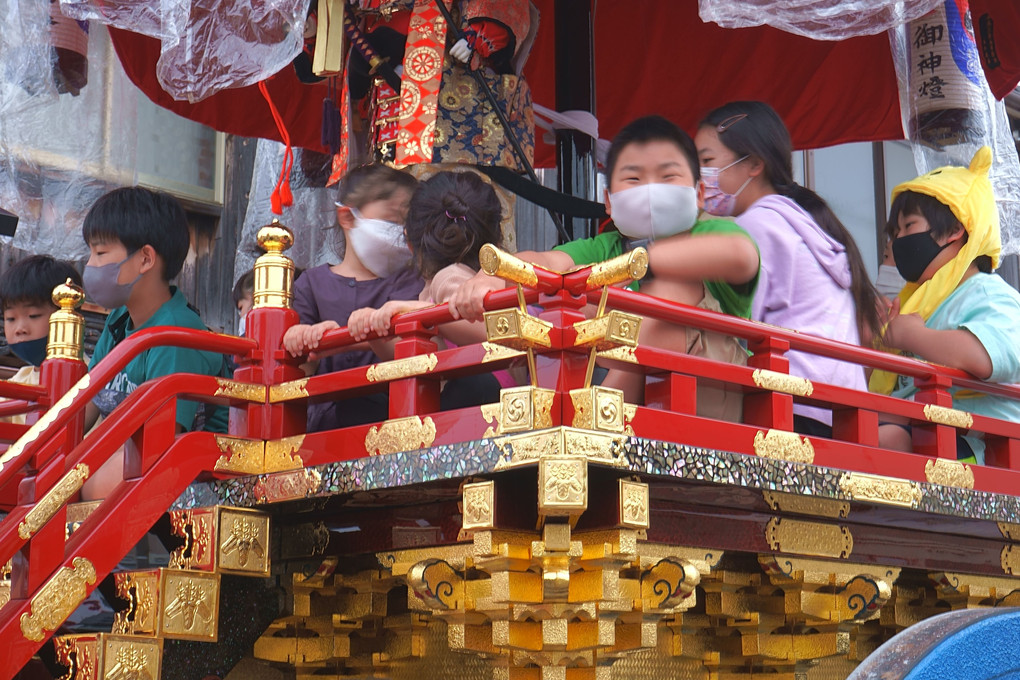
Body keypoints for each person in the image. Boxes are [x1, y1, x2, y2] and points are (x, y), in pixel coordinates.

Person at [449, 115, 760, 420]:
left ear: (699, 193)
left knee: (669, 289)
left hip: (710, 395)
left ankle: (598, 419)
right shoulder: (604, 246)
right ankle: (588, 414)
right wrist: (492, 274)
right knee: (569, 298)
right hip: (627, 400)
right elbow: (545, 263)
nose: (650, 190)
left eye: (668, 177)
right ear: (608, 201)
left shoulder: (714, 230)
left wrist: (634, 266)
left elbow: (741, 255)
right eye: (634, 179)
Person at [693, 101, 881, 436]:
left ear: (753, 163)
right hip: (839, 409)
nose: (699, 176)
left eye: (707, 161)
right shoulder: (800, 221)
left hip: (791, 405)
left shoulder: (757, 225)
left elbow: (737, 324)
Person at [80, 187, 230, 499]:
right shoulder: (119, 320)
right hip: (127, 457)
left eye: (101, 253)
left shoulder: (176, 333)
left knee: (88, 486)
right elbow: (87, 407)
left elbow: (159, 442)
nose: (90, 266)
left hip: (195, 476)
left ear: (146, 258)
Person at [874, 147, 1020, 464]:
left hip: (982, 448)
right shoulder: (918, 300)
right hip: (925, 428)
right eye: (895, 232)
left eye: (909, 226)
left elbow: (988, 355)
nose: (899, 240)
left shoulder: (989, 292)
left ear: (955, 230)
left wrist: (911, 336)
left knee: (881, 438)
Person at [347, 170, 512, 409]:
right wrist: (376, 331)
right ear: (497, 237)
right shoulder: (487, 278)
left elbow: (489, 330)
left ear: (410, 242)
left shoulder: (448, 278)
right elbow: (418, 353)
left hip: (487, 401)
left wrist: (418, 313)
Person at [282, 163, 423, 431]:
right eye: (392, 221)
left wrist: (342, 340)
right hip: (320, 422)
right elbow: (299, 368)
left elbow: (409, 347)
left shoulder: (409, 282)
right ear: (347, 217)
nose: (400, 232)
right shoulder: (311, 283)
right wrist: (303, 339)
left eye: (406, 225)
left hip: (393, 416)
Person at [0, 255, 83, 424]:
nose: (20, 328)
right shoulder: (20, 380)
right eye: (10, 319)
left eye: (33, 315)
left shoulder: (88, 375)